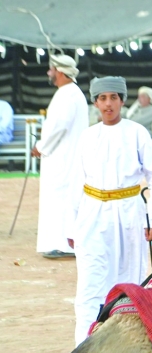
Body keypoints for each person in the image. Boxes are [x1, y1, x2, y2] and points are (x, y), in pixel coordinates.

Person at [67, 76, 152, 345]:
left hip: (128, 216)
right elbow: (76, 181)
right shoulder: (88, 136)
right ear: (96, 102)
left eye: (113, 97)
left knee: (128, 283)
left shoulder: (136, 132)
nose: (108, 104)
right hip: (92, 215)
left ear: (122, 101)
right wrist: (71, 225)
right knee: (90, 286)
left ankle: (124, 347)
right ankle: (83, 350)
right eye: (102, 98)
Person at [32, 54, 88, 259]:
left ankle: (64, 245)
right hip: (65, 156)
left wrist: (40, 146)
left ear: (61, 72)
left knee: (62, 200)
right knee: (63, 199)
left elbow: (58, 127)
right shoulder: (70, 93)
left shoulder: (67, 94)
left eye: (52, 69)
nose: (49, 72)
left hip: (64, 159)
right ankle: (64, 243)